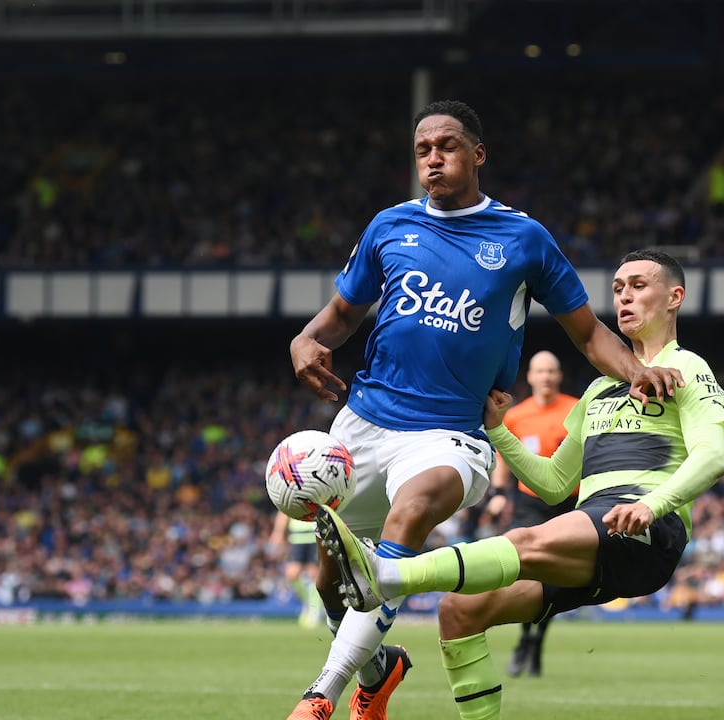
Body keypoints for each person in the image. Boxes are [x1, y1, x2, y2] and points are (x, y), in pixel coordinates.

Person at [286, 101, 682, 720]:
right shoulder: (389, 227)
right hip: (363, 422)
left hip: (450, 432)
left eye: (446, 146)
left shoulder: (523, 239)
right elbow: (340, 316)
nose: (433, 159)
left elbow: (586, 332)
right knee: (330, 582)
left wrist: (637, 369)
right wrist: (305, 339)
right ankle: (378, 668)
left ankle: (322, 695)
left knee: (410, 515)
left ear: (478, 154)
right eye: (423, 150)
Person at [316, 249, 724, 720]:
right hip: (601, 535)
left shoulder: (688, 368)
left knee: (523, 539)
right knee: (460, 611)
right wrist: (498, 431)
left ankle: (389, 575)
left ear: (674, 297)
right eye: (618, 288)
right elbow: (555, 483)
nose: (624, 297)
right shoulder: (600, 390)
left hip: (645, 529)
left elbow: (711, 457)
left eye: (639, 286)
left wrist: (654, 506)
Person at [481, 350, 578, 678]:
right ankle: (525, 638)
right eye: (541, 371)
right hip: (529, 502)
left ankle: (537, 640)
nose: (547, 376)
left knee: (555, 576)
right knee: (528, 570)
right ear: (531, 376)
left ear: (559, 375)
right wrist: (496, 494)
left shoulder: (576, 409)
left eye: (552, 370)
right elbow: (504, 455)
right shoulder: (517, 415)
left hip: (568, 502)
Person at [271, 512, 325, 628]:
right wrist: (278, 532)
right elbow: (284, 510)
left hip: (315, 533)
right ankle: (308, 603)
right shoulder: (290, 494)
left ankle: (314, 611)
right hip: (297, 536)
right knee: (292, 574)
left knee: (314, 574)